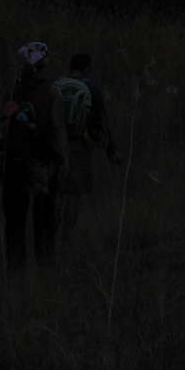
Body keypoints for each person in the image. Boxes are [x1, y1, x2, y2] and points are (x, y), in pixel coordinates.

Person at [2, 40, 68, 269]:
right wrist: (62, 164)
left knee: (15, 225)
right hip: (42, 166)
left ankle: (16, 276)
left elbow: (3, 130)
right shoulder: (51, 92)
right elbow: (58, 132)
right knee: (44, 225)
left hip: (16, 164)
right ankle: (45, 275)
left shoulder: (13, 91)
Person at [56, 52, 124, 243]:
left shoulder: (57, 86)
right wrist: (111, 151)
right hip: (79, 148)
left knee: (57, 194)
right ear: (87, 68)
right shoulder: (91, 88)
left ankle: (48, 242)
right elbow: (103, 123)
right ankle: (66, 240)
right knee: (74, 194)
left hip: (55, 148)